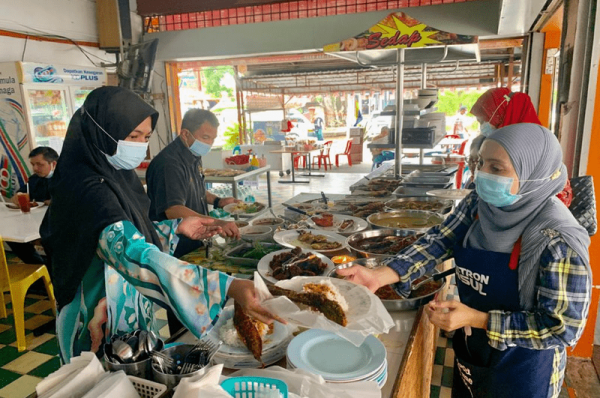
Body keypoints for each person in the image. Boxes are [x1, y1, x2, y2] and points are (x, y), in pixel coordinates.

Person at [338, 124, 591, 398]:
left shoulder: (558, 240)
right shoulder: (480, 204)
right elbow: (441, 239)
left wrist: (478, 319)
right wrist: (381, 275)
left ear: (535, 174)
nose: (481, 174)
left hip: (525, 370)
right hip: (475, 350)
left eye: (496, 169)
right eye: (481, 162)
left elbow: (562, 328)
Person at [40, 87, 281, 362]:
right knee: (101, 385)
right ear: (101, 131)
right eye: (132, 136)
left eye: (145, 136)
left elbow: (135, 230)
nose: (141, 145)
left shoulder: (118, 176)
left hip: (128, 307)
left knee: (135, 376)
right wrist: (226, 287)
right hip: (96, 316)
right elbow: (133, 253)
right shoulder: (88, 190)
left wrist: (175, 228)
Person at [147, 109, 241, 259]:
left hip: (196, 239)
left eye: (213, 139)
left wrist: (218, 201)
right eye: (205, 137)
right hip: (176, 247)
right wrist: (216, 222)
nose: (209, 144)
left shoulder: (193, 154)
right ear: (185, 134)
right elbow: (173, 210)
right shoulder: (169, 164)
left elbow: (196, 189)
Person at [470, 87, 573, 207]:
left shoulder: (536, 151)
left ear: (503, 116)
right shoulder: (492, 148)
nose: (482, 127)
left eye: (483, 121)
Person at [4, 146, 58, 265]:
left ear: (53, 164)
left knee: (50, 241)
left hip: (57, 223)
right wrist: (17, 196)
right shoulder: (34, 179)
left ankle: (53, 272)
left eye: (39, 164)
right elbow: (21, 192)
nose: (35, 168)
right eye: (32, 164)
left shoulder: (65, 179)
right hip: (35, 221)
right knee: (13, 238)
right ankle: (37, 265)